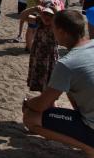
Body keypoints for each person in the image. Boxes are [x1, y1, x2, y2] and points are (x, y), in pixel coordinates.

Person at [23, 10, 94, 156]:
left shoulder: (67, 64)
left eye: (53, 28)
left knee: (31, 117)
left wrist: (28, 102)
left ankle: (89, 146)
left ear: (62, 32)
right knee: (72, 88)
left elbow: (42, 104)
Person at [21, 0, 63, 94]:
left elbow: (64, 21)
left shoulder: (57, 24)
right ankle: (46, 105)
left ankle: (49, 105)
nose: (46, 17)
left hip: (50, 58)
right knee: (41, 86)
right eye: (45, 13)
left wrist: (57, 13)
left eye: (50, 14)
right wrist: (33, 9)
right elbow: (22, 16)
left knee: (49, 86)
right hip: (38, 56)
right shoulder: (38, 20)